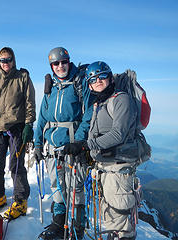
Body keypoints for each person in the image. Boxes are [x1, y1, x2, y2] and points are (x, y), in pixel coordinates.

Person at [64, 61, 138, 240]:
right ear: (89, 85)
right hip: (105, 168)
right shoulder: (99, 104)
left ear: (110, 78)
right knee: (110, 216)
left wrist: (86, 145)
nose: (97, 81)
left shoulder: (121, 99)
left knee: (119, 219)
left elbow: (118, 135)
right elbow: (95, 134)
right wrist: (85, 149)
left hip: (118, 168)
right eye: (93, 79)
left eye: (102, 76)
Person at [34, 47, 94, 240]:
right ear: (52, 66)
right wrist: (37, 143)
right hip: (52, 147)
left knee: (75, 189)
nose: (60, 66)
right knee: (56, 186)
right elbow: (42, 117)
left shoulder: (79, 82)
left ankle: (77, 230)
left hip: (72, 147)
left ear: (69, 62)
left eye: (63, 62)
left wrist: (78, 141)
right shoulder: (51, 87)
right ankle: (59, 224)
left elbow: (89, 114)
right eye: (56, 64)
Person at [0, 47, 36, 220]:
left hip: (16, 127)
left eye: (9, 59)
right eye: (3, 60)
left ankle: (20, 200)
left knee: (16, 164)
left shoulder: (22, 77)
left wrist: (29, 124)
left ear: (14, 60)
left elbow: (30, 102)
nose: (6, 63)